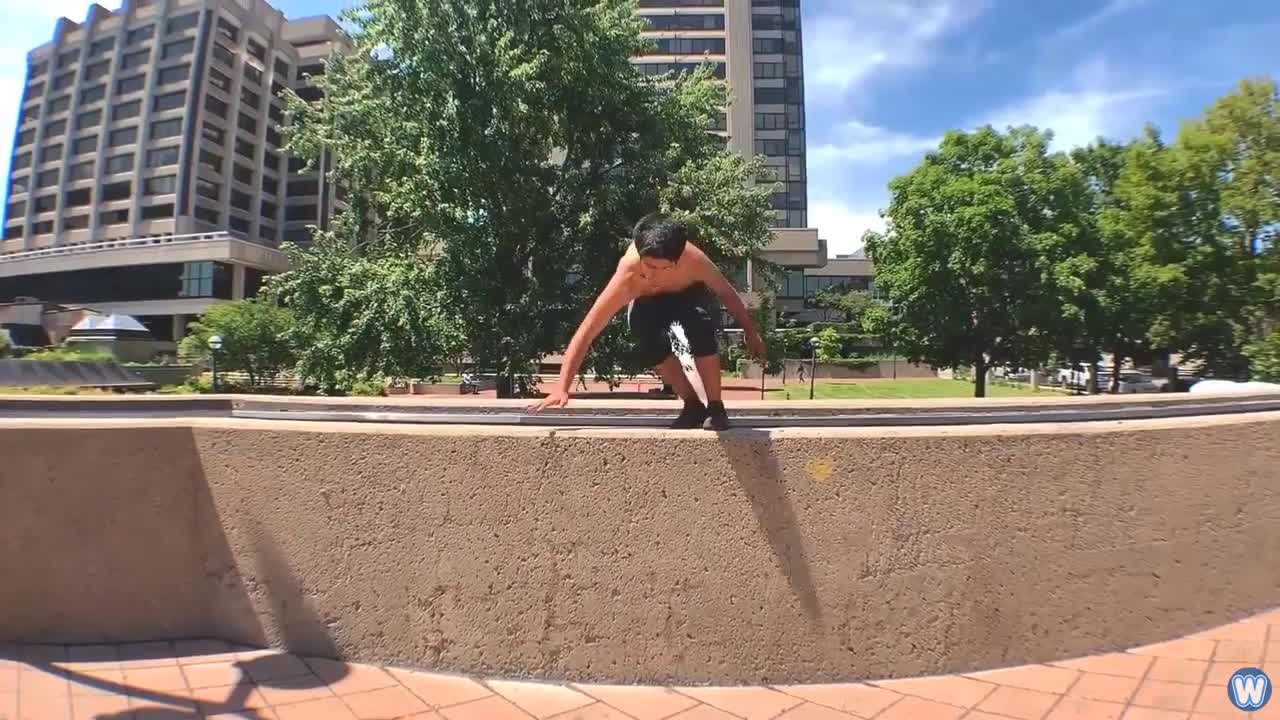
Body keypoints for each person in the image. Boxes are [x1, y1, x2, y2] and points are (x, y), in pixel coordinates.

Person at [528, 213, 766, 429]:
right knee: (646, 338)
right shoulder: (627, 274)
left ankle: (716, 407)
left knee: (701, 323)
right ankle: (692, 405)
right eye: (649, 267)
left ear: (679, 259)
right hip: (646, 303)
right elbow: (587, 330)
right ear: (639, 255)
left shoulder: (695, 261)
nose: (654, 277)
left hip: (690, 295)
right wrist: (561, 387)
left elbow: (727, 293)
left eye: (664, 269)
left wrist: (751, 331)